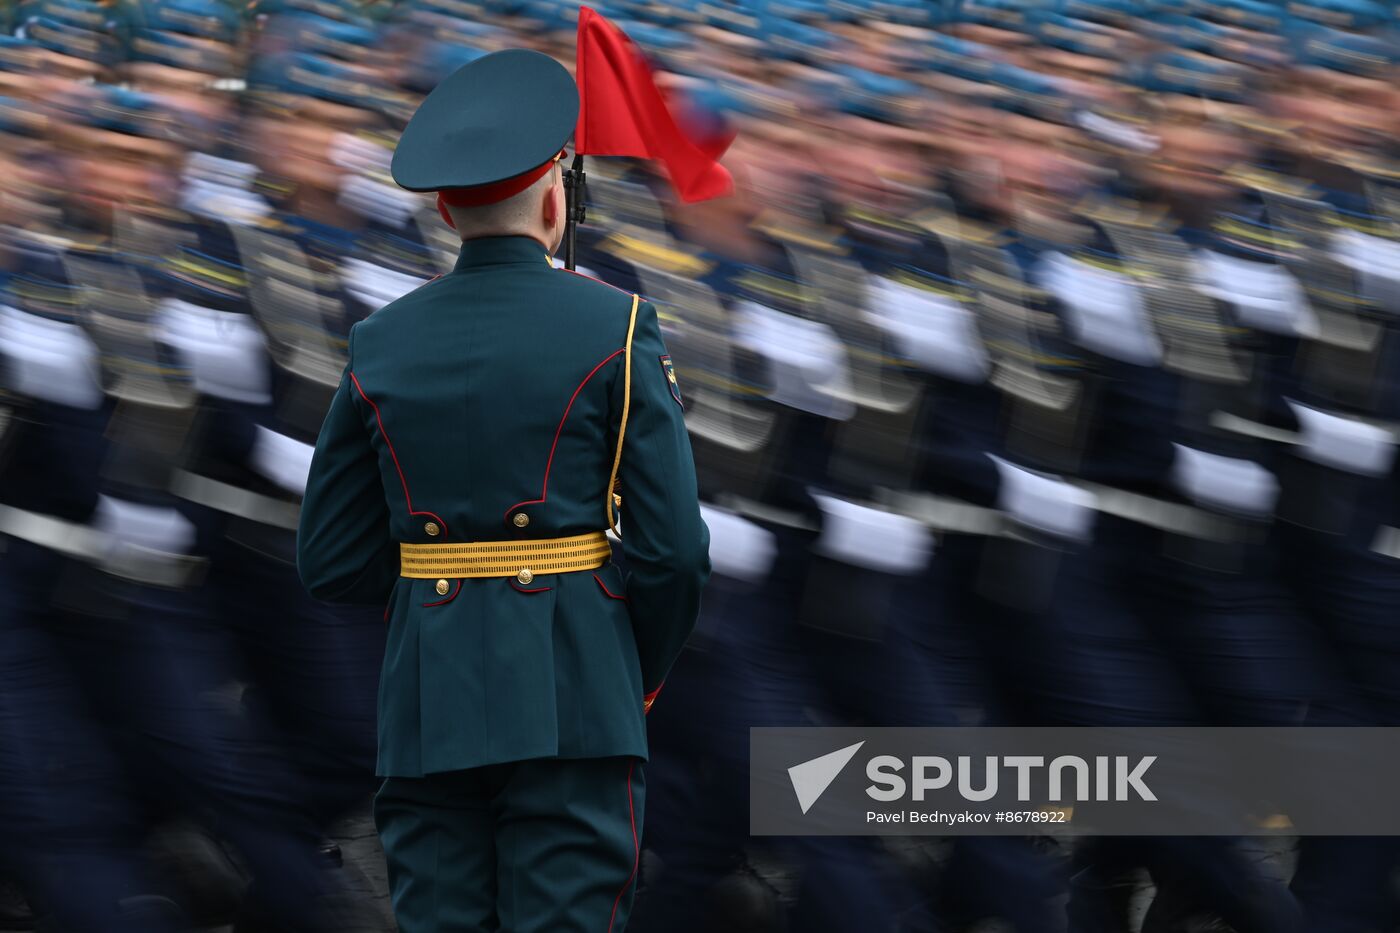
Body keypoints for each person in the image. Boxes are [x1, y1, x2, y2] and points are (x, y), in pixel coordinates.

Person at [296, 48, 710, 933]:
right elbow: (674, 550)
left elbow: (330, 558)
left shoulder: (379, 341)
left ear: (444, 208)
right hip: (576, 688)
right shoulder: (618, 322)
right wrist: (634, 669)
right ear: (557, 198)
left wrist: (446, 599)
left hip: (427, 699)